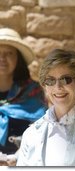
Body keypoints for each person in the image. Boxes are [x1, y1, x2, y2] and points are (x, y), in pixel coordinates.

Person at [0, 28, 46, 163]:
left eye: (9, 53)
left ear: (18, 58)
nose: (2, 58)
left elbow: (41, 131)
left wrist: (17, 157)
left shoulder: (34, 92)